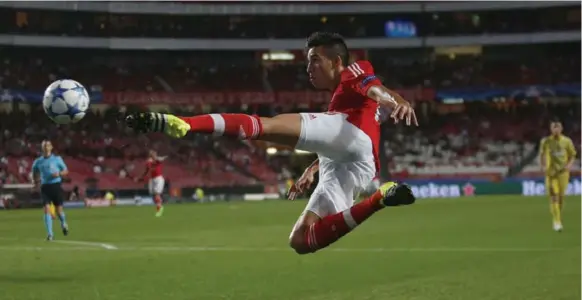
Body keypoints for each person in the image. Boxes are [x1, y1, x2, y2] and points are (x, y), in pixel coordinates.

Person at [122, 32, 418, 254]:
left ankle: (187, 124)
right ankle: (379, 199)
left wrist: (397, 101)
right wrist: (313, 168)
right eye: (307, 62)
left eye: (315, 60)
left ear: (336, 61)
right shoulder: (343, 99)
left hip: (352, 138)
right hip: (353, 164)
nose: (308, 68)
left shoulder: (354, 71)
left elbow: (376, 90)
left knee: (268, 125)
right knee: (301, 240)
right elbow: (353, 127)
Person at [539, 119, 577, 232]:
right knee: (553, 196)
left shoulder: (567, 141)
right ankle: (557, 221)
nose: (555, 130)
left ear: (561, 129)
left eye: (557, 127)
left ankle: (558, 217)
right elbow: (541, 154)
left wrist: (569, 165)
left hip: (563, 174)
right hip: (550, 174)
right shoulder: (546, 141)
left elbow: (573, 155)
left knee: (560, 198)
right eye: (553, 127)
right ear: (551, 129)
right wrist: (543, 165)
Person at [32, 140, 69, 241]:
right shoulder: (38, 161)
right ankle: (50, 234)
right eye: (44, 145)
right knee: (47, 210)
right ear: (42, 147)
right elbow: (34, 172)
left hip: (56, 186)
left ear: (51, 147)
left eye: (48, 145)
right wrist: (35, 182)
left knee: (59, 211)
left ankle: (63, 223)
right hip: (45, 187)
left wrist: (59, 174)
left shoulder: (57, 159)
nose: (46, 147)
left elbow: (66, 171)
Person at [137, 150, 167, 217]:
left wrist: (162, 158)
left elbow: (160, 159)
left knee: (157, 194)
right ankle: (160, 204)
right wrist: (141, 177)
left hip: (158, 178)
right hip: (152, 179)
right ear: (151, 155)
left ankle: (159, 209)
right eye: (153, 154)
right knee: (153, 195)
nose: (155, 155)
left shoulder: (157, 160)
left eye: (155, 154)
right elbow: (147, 170)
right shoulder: (148, 162)